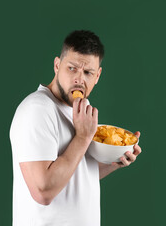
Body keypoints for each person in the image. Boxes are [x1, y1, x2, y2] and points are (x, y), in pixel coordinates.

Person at [9, 30, 142, 226]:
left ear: (98, 76)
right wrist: (82, 138)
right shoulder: (37, 109)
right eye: (72, 68)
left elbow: (76, 175)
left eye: (88, 72)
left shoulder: (80, 111)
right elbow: (43, 191)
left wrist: (114, 161)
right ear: (57, 65)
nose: (79, 79)